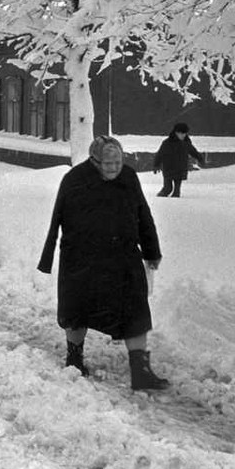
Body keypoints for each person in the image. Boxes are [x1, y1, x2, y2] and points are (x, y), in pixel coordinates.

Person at [38, 135, 170, 391]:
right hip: (82, 258)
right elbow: (57, 219)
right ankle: (74, 357)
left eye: (118, 162)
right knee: (78, 310)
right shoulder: (75, 180)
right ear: (94, 160)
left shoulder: (129, 178)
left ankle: (140, 370)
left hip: (123, 258)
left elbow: (143, 215)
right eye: (108, 163)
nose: (113, 168)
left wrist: (151, 251)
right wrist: (49, 255)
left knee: (135, 310)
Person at [152, 122, 205, 197]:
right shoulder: (167, 143)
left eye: (184, 133)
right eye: (181, 133)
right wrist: (156, 165)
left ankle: (176, 203)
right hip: (168, 168)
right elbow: (160, 154)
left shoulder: (186, 143)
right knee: (167, 188)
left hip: (180, 169)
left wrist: (200, 159)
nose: (183, 135)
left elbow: (194, 152)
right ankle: (161, 197)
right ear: (176, 132)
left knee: (176, 191)